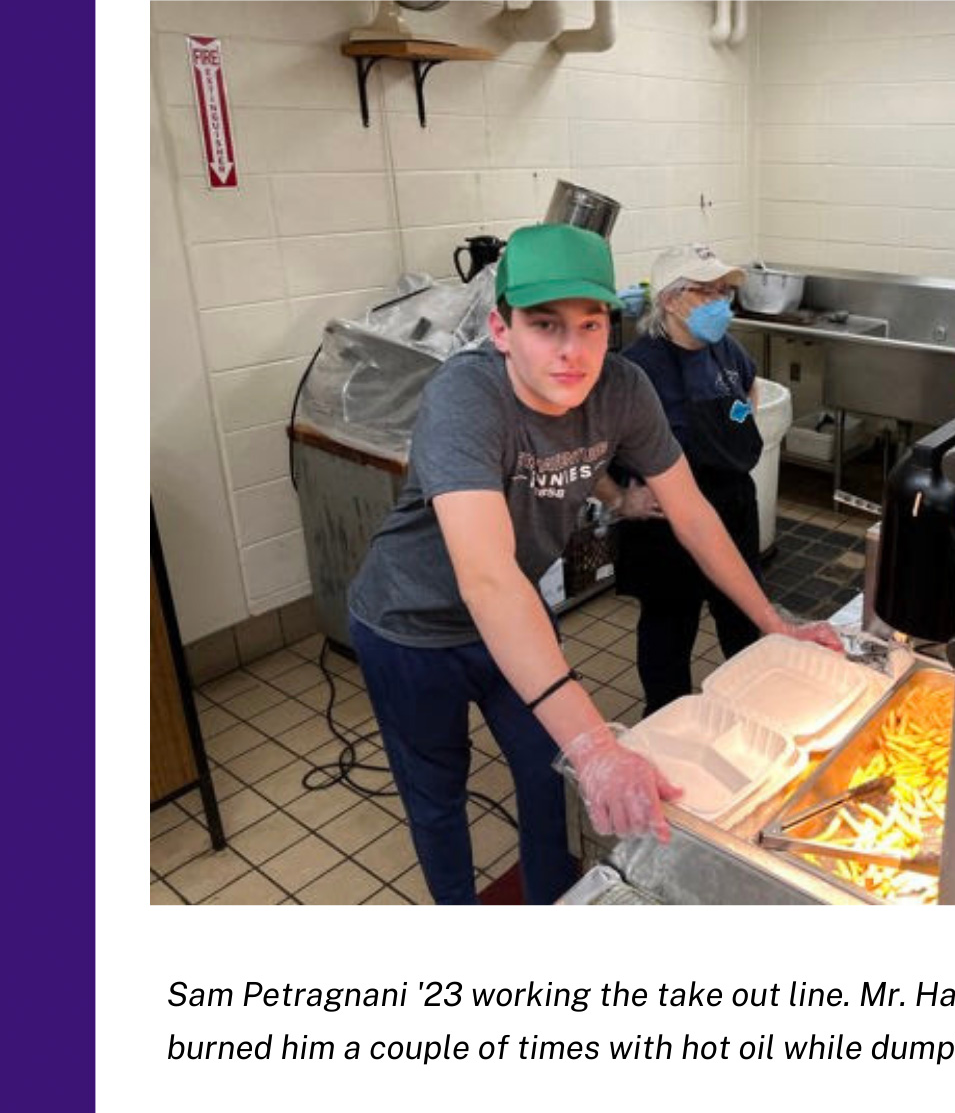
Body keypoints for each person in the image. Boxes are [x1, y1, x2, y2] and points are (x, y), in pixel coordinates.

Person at [346, 223, 838, 905]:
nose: (572, 350)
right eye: (546, 325)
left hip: (514, 615)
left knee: (551, 770)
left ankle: (558, 907)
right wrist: (598, 745)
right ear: (501, 328)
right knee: (439, 791)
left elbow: (693, 514)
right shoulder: (467, 400)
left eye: (591, 323)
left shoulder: (623, 391)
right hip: (411, 625)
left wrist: (770, 620)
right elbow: (485, 577)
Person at [599, 244, 768, 717]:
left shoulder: (726, 350)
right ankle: (667, 719)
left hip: (732, 504)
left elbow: (748, 388)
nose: (721, 301)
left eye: (724, 291)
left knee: (741, 617)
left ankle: (755, 712)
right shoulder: (634, 369)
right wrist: (619, 499)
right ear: (671, 300)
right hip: (664, 521)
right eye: (706, 291)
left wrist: (741, 424)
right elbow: (590, 443)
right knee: (669, 627)